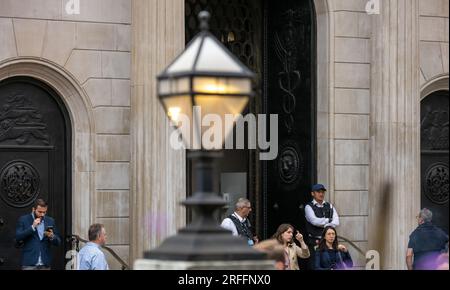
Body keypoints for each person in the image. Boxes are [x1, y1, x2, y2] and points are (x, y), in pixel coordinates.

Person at [15, 199, 61, 270]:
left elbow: (58, 242)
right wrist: (32, 227)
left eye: (44, 212)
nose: (42, 214)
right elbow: (18, 237)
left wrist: (52, 236)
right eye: (40, 212)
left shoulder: (50, 221)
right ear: (33, 209)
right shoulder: (24, 220)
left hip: (45, 264)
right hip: (29, 263)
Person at [304, 184, 339, 269]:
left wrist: (324, 224)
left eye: (323, 192)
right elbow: (314, 221)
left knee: (331, 265)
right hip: (314, 242)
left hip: (329, 243)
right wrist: (328, 221)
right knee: (316, 266)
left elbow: (336, 221)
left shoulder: (330, 206)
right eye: (318, 192)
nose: (321, 194)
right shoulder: (308, 207)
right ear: (313, 193)